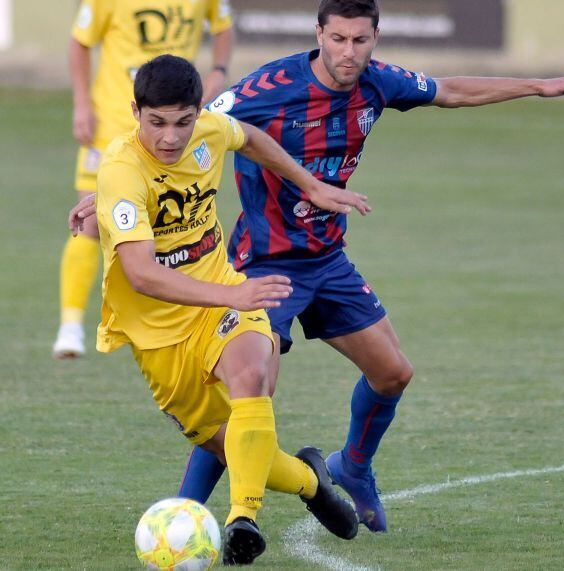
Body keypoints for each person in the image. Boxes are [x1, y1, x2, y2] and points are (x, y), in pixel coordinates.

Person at [70, 0, 564, 535]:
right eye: (339, 39)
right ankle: (197, 513)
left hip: (326, 258)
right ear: (319, 34)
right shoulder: (268, 88)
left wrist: (538, 85)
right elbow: (185, 130)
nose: (349, 52)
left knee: (394, 372)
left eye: (360, 40)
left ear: (375, 39)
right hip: (263, 264)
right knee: (249, 389)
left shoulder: (379, 84)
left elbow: (451, 91)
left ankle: (352, 466)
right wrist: (113, 191)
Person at [92, 54, 369, 565]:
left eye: (183, 121)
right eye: (157, 123)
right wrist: (231, 296)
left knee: (250, 374)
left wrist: (308, 183)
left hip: (223, 292)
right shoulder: (120, 170)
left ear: (198, 112)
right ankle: (312, 481)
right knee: (234, 449)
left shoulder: (210, 130)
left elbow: (251, 137)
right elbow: (142, 275)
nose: (171, 137)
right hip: (161, 338)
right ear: (135, 112)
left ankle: (244, 517)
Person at [54, 0, 235, 359]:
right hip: (113, 123)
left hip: (172, 128)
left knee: (177, 219)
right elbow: (80, 41)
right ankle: (70, 325)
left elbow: (223, 26)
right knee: (90, 225)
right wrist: (81, 104)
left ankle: (183, 320)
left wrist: (218, 69)